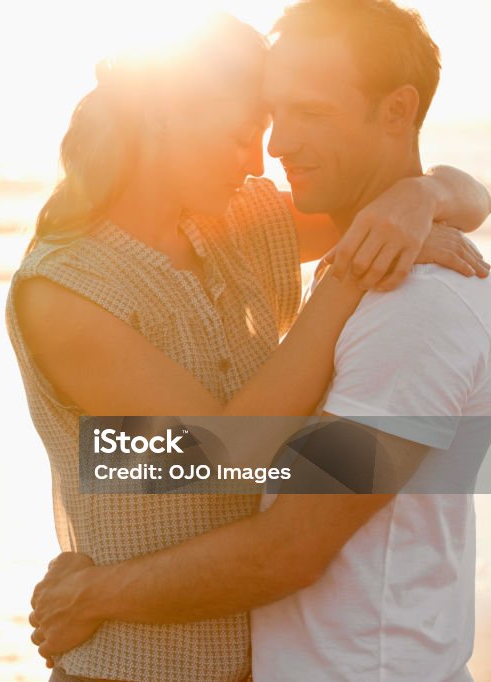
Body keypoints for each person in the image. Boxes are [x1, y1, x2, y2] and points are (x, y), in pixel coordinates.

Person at [25, 2, 491, 681]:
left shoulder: (412, 306)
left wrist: (96, 592)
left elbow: (289, 546)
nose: (272, 149)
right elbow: (198, 458)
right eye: (267, 118)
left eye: (310, 114)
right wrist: (411, 203)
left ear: (396, 111)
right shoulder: (108, 274)